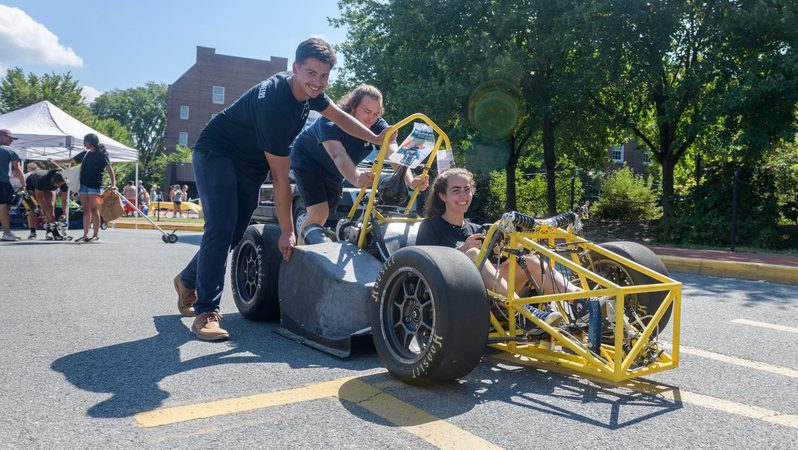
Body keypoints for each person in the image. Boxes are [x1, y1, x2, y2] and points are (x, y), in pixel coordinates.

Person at [175, 38, 388, 341]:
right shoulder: (276, 104)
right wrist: (288, 230)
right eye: (311, 73)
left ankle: (186, 280)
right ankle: (206, 310)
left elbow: (341, 117)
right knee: (221, 228)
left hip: (250, 164)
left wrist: (376, 138)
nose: (318, 82)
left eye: (324, 75)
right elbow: (280, 177)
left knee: (234, 234)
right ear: (295, 68)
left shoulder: (310, 94)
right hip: (217, 152)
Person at [415, 168, 576, 333]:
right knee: (473, 254)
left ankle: (580, 302)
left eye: (467, 189)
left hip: (490, 295)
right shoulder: (430, 226)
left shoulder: (479, 228)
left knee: (529, 260)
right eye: (456, 191)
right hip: (452, 296)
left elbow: (497, 264)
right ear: (443, 196)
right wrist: (463, 249)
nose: (463, 196)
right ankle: (525, 313)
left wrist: (505, 251)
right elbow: (426, 267)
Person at [290, 84, 429, 244]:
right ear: (352, 106)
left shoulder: (379, 126)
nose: (371, 118)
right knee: (318, 213)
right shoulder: (330, 120)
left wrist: (410, 181)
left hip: (334, 171)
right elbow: (338, 155)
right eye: (367, 111)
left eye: (376, 113)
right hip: (308, 161)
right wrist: (356, 178)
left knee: (326, 213)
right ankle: (301, 259)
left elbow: (394, 154)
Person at [51, 133, 116, 243]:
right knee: (86, 210)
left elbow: (110, 170)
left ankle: (95, 236)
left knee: (94, 210)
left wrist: (114, 184)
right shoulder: (85, 154)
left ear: (90, 142)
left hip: (95, 186)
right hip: (83, 185)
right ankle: (85, 235)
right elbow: (71, 160)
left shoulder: (102, 154)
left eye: (85, 142)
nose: (84, 144)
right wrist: (54, 160)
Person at [28, 169, 69, 239]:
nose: (59, 186)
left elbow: (64, 200)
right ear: (52, 180)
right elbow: (40, 200)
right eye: (57, 185)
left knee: (51, 206)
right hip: (32, 183)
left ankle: (49, 232)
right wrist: (46, 212)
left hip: (49, 187)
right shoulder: (42, 180)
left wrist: (64, 213)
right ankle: (33, 232)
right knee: (34, 208)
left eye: (60, 185)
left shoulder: (64, 183)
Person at [0, 129, 25, 241]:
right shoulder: (9, 150)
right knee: (3, 206)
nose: (12, 141)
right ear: (2, 136)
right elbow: (18, 169)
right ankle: (6, 232)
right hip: (2, 182)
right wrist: (23, 184)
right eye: (10, 138)